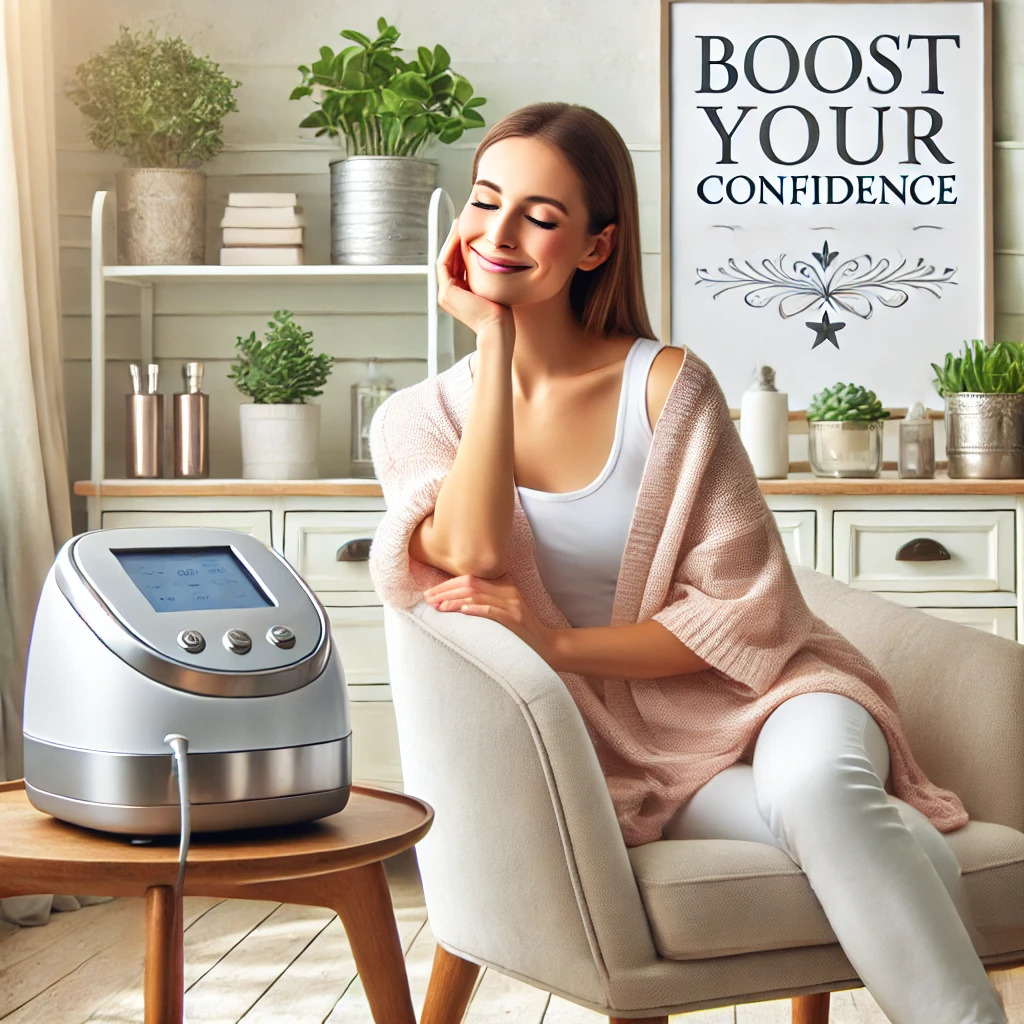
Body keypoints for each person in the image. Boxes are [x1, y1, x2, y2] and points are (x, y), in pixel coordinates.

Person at [366, 101, 1008, 1024]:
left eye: (541, 217)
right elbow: (464, 550)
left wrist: (558, 640)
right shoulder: (418, 420)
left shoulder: (668, 385)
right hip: (632, 759)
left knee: (821, 788)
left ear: (595, 246)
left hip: (780, 697)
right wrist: (495, 341)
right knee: (898, 839)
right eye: (485, 202)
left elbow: (745, 614)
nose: (498, 234)